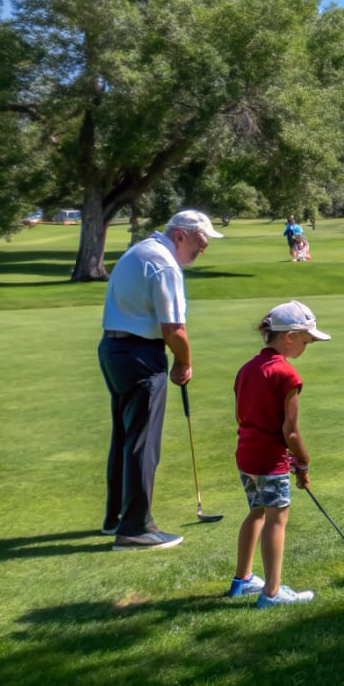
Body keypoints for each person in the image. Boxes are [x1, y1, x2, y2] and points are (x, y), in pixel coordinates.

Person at [98, 209, 223, 550]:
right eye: (201, 240)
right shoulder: (164, 263)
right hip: (140, 355)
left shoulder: (141, 250)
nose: (205, 247)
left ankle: (116, 519)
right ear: (180, 235)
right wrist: (185, 363)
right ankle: (135, 529)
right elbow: (174, 329)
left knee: (126, 437)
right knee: (143, 442)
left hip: (114, 349)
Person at [229, 300, 330, 607]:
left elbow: (239, 416)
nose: (307, 346)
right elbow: (292, 431)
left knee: (257, 511)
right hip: (269, 460)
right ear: (289, 337)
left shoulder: (247, 369)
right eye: (306, 340)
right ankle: (271, 593)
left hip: (246, 456)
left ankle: (242, 580)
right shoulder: (287, 375)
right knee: (277, 518)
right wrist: (303, 462)